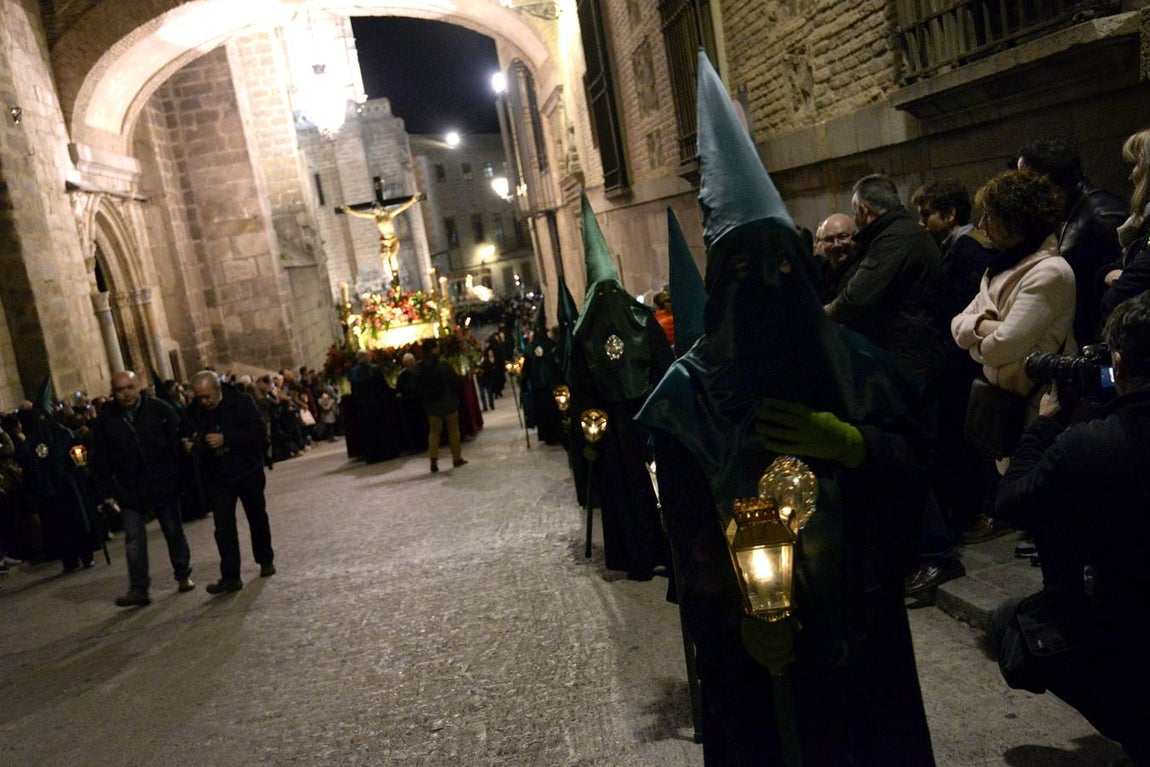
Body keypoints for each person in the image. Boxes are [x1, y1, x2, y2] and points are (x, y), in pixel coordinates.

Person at [637, 51, 935, 766]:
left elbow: (917, 481)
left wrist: (855, 444)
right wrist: (736, 618)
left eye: (779, 265)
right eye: (743, 271)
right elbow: (687, 535)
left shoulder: (858, 369)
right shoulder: (688, 396)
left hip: (863, 640)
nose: (766, 285)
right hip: (756, 665)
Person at [991, 291, 1150, 765]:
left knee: (1013, 624)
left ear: (1117, 364)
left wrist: (1044, 427)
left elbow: (1010, 502)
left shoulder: (1087, 446)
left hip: (1132, 625)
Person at [952, 169, 1077, 461]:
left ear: (1016, 221)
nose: (982, 226)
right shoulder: (999, 267)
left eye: (990, 217)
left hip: (1038, 408)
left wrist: (977, 338)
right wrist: (986, 325)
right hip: (1005, 405)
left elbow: (1002, 346)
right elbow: (956, 326)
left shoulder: (1050, 271)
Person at [827, 174, 946, 389]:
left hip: (908, 360)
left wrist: (817, 315)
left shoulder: (894, 239)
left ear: (863, 210)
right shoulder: (903, 232)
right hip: (913, 354)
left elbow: (854, 298)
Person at [92, 371, 194, 607]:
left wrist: (180, 476)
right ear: (113, 392)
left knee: (173, 531)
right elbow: (102, 459)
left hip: (162, 482)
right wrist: (104, 491)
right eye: (119, 390)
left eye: (129, 387)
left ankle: (183, 574)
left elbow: (177, 443)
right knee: (134, 538)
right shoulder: (106, 421)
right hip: (129, 488)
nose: (125, 393)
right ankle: (138, 589)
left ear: (138, 387)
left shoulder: (159, 410)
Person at [1018, 138, 1126, 345]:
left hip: (1103, 343)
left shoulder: (1103, 216)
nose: (1022, 188)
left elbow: (1118, 294)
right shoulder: (1065, 209)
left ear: (1044, 176)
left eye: (1025, 179)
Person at [184, 370, 275, 594]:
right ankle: (230, 575)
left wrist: (227, 438)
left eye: (207, 396)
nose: (204, 401)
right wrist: (193, 446)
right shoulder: (196, 411)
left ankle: (265, 559)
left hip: (246, 470)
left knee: (256, 517)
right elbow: (194, 435)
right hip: (218, 476)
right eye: (199, 397)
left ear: (218, 390)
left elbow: (258, 433)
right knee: (223, 527)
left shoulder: (242, 402)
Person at [1099, 127, 1150, 320]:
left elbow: (1113, 300)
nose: (1131, 176)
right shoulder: (1141, 223)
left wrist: (1117, 276)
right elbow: (1105, 270)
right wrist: (1114, 274)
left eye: (1135, 164)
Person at [415, 338, 466, 473]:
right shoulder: (443, 365)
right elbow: (455, 382)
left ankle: (433, 459)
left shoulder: (419, 367)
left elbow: (418, 386)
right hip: (448, 402)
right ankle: (457, 458)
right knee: (453, 432)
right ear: (433, 349)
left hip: (431, 405)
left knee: (434, 433)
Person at [812, 212, 858, 303]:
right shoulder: (818, 272)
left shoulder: (863, 271)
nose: (836, 244)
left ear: (855, 237)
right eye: (829, 240)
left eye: (842, 237)